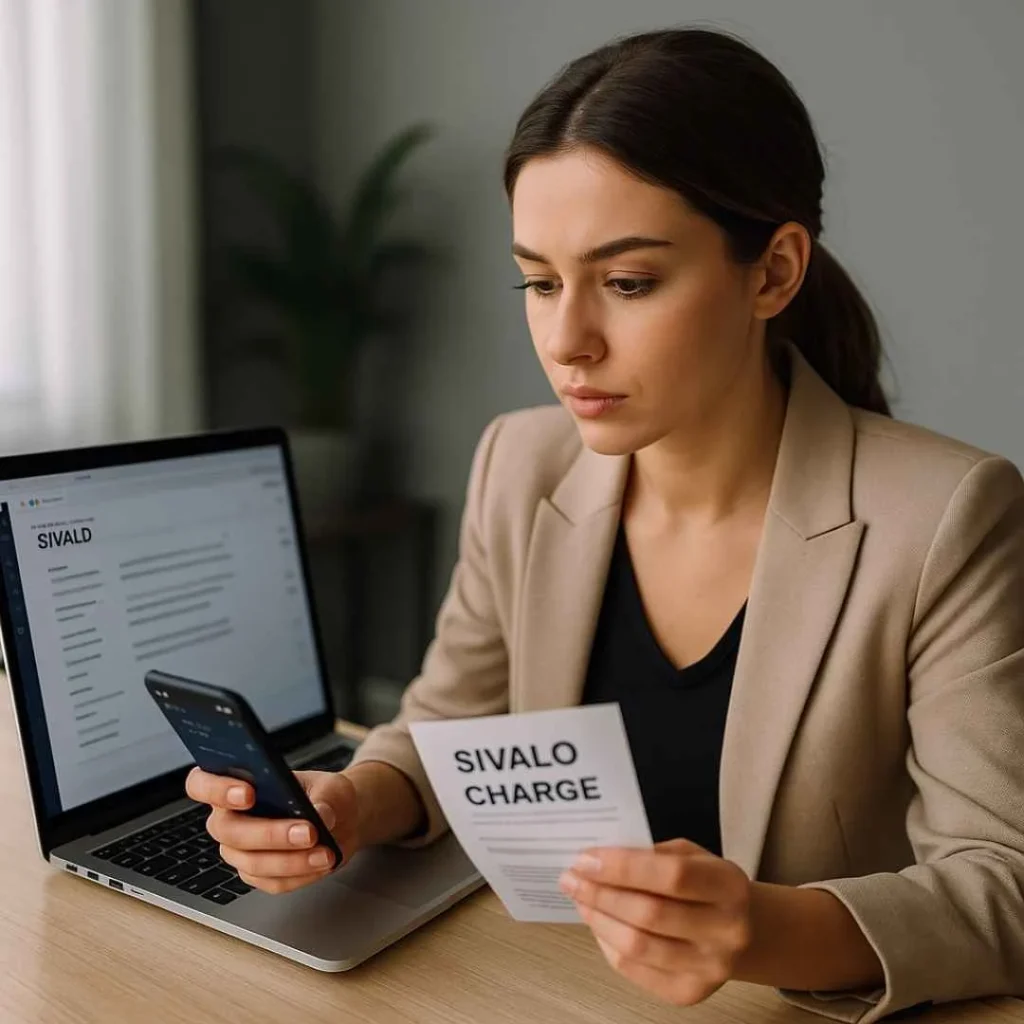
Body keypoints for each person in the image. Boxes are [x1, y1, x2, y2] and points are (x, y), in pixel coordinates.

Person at [185, 26, 1024, 1022]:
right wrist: (351, 801)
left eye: (627, 283)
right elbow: (450, 728)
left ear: (773, 271)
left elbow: (1002, 882)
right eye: (538, 281)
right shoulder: (520, 462)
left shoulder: (945, 516)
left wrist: (766, 928)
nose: (566, 340)